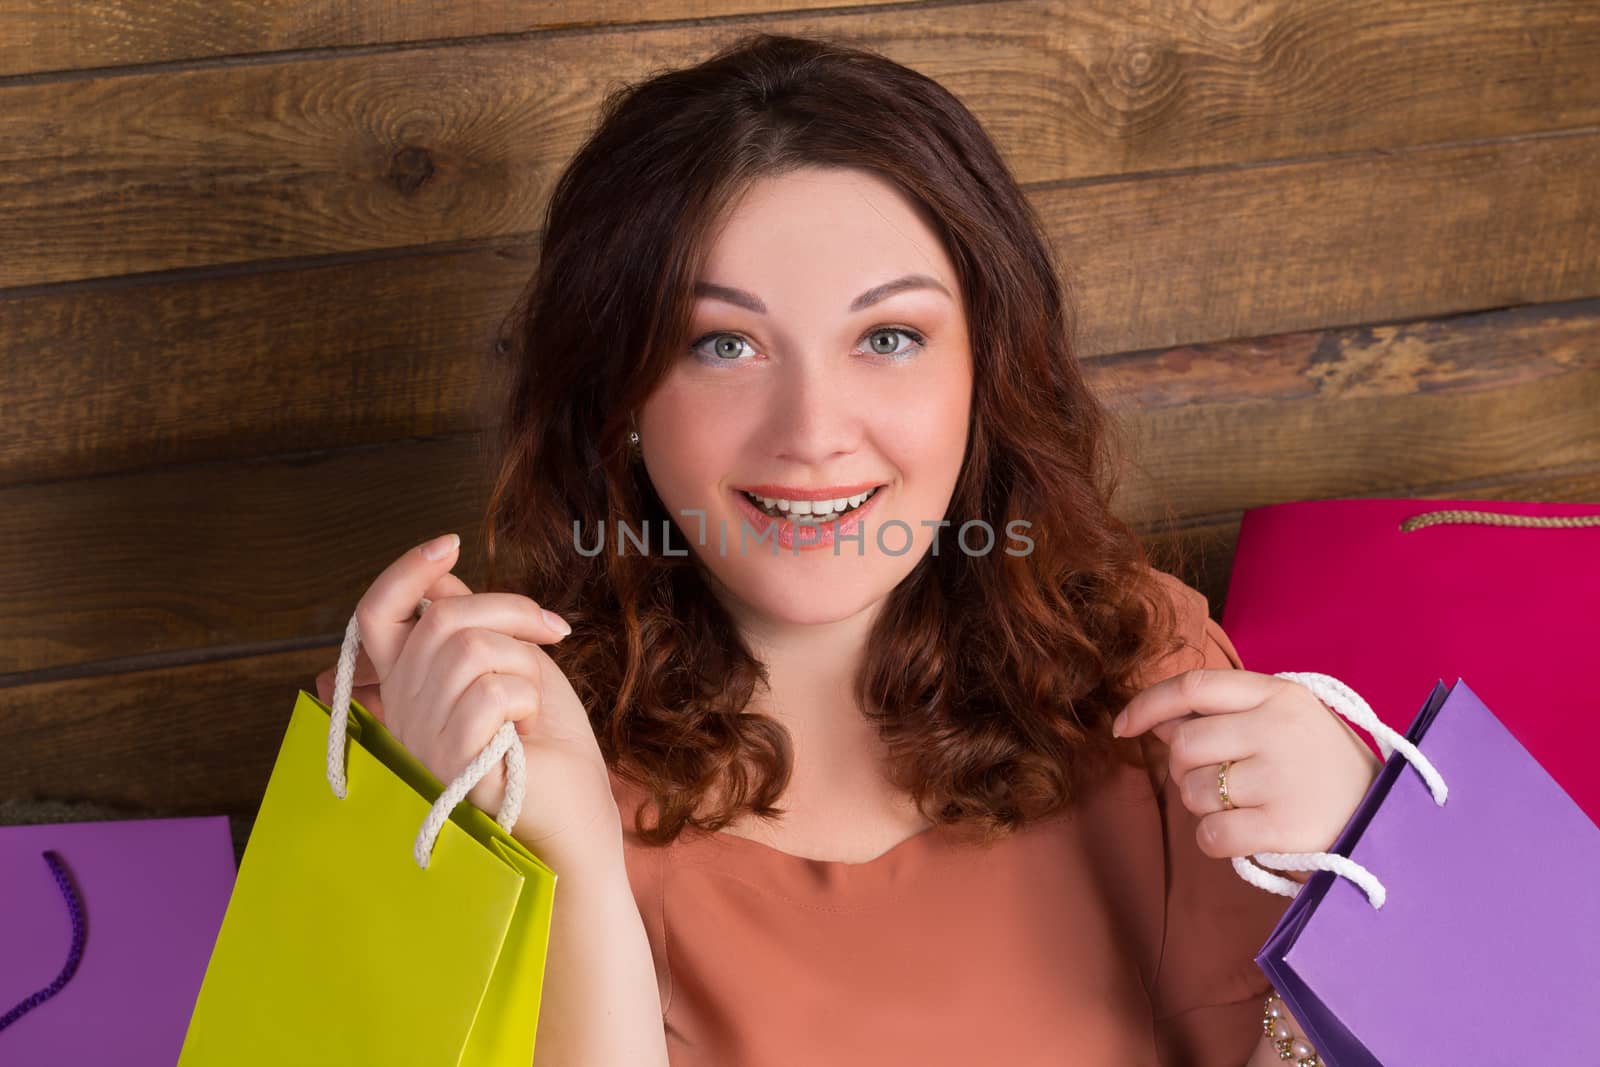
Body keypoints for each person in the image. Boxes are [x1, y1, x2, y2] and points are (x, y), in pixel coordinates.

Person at [317, 32, 1380, 1067]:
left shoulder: (1138, 661)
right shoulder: (444, 732)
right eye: (722, 344)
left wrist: (1353, 893)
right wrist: (568, 866)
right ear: (619, 392)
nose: (813, 431)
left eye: (888, 338)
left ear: (986, 371)